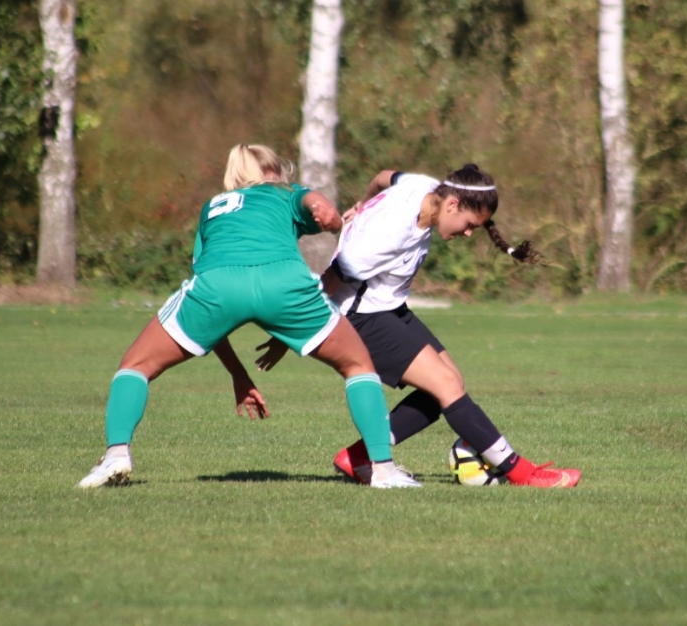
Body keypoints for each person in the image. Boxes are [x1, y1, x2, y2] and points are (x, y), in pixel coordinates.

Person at [77, 144, 420, 490]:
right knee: (358, 365)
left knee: (135, 365)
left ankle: (116, 455)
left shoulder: (212, 208)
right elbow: (317, 206)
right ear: (266, 173)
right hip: (282, 281)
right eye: (272, 169)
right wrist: (328, 215)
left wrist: (238, 375)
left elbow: (213, 303)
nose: (277, 176)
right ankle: (383, 470)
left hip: (218, 286)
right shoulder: (283, 192)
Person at [256, 164, 581, 488]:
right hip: (360, 318)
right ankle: (522, 473)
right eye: (469, 225)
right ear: (452, 205)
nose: (468, 234)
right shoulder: (389, 233)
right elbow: (332, 279)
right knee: (446, 387)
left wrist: (362, 203)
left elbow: (384, 176)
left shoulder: (424, 186)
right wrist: (292, 333)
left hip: (388, 309)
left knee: (448, 384)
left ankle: (358, 457)